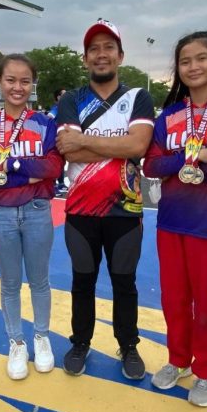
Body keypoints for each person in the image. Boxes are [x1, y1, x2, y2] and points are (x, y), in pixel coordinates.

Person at [143, 31, 207, 407]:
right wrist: (198, 156)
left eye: (201, 58)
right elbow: (152, 164)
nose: (193, 67)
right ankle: (178, 359)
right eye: (185, 61)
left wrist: (200, 163)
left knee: (206, 303)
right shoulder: (170, 114)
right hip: (170, 221)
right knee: (173, 299)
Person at [55, 19, 154, 379]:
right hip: (81, 210)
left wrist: (88, 142)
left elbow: (139, 145)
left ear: (120, 55)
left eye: (108, 47)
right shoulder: (70, 99)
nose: (101, 54)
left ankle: (128, 345)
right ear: (85, 59)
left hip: (125, 209)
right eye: (94, 49)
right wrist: (119, 149)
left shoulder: (137, 97)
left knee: (124, 283)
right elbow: (68, 151)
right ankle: (80, 341)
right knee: (82, 281)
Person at [0, 54, 64, 380]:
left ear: (32, 84)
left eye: (24, 81)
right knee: (10, 283)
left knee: (40, 281)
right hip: (1, 214)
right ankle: (16, 342)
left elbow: (54, 168)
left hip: (38, 211)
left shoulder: (43, 123)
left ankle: (41, 338)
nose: (17, 87)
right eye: (11, 80)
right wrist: (29, 174)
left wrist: (10, 167)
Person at [48, 88, 69, 195]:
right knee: (55, 162)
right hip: (54, 140)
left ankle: (61, 183)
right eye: (64, 94)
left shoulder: (65, 108)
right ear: (58, 97)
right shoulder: (57, 108)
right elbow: (49, 117)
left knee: (62, 162)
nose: (67, 95)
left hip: (62, 139)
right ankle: (53, 185)